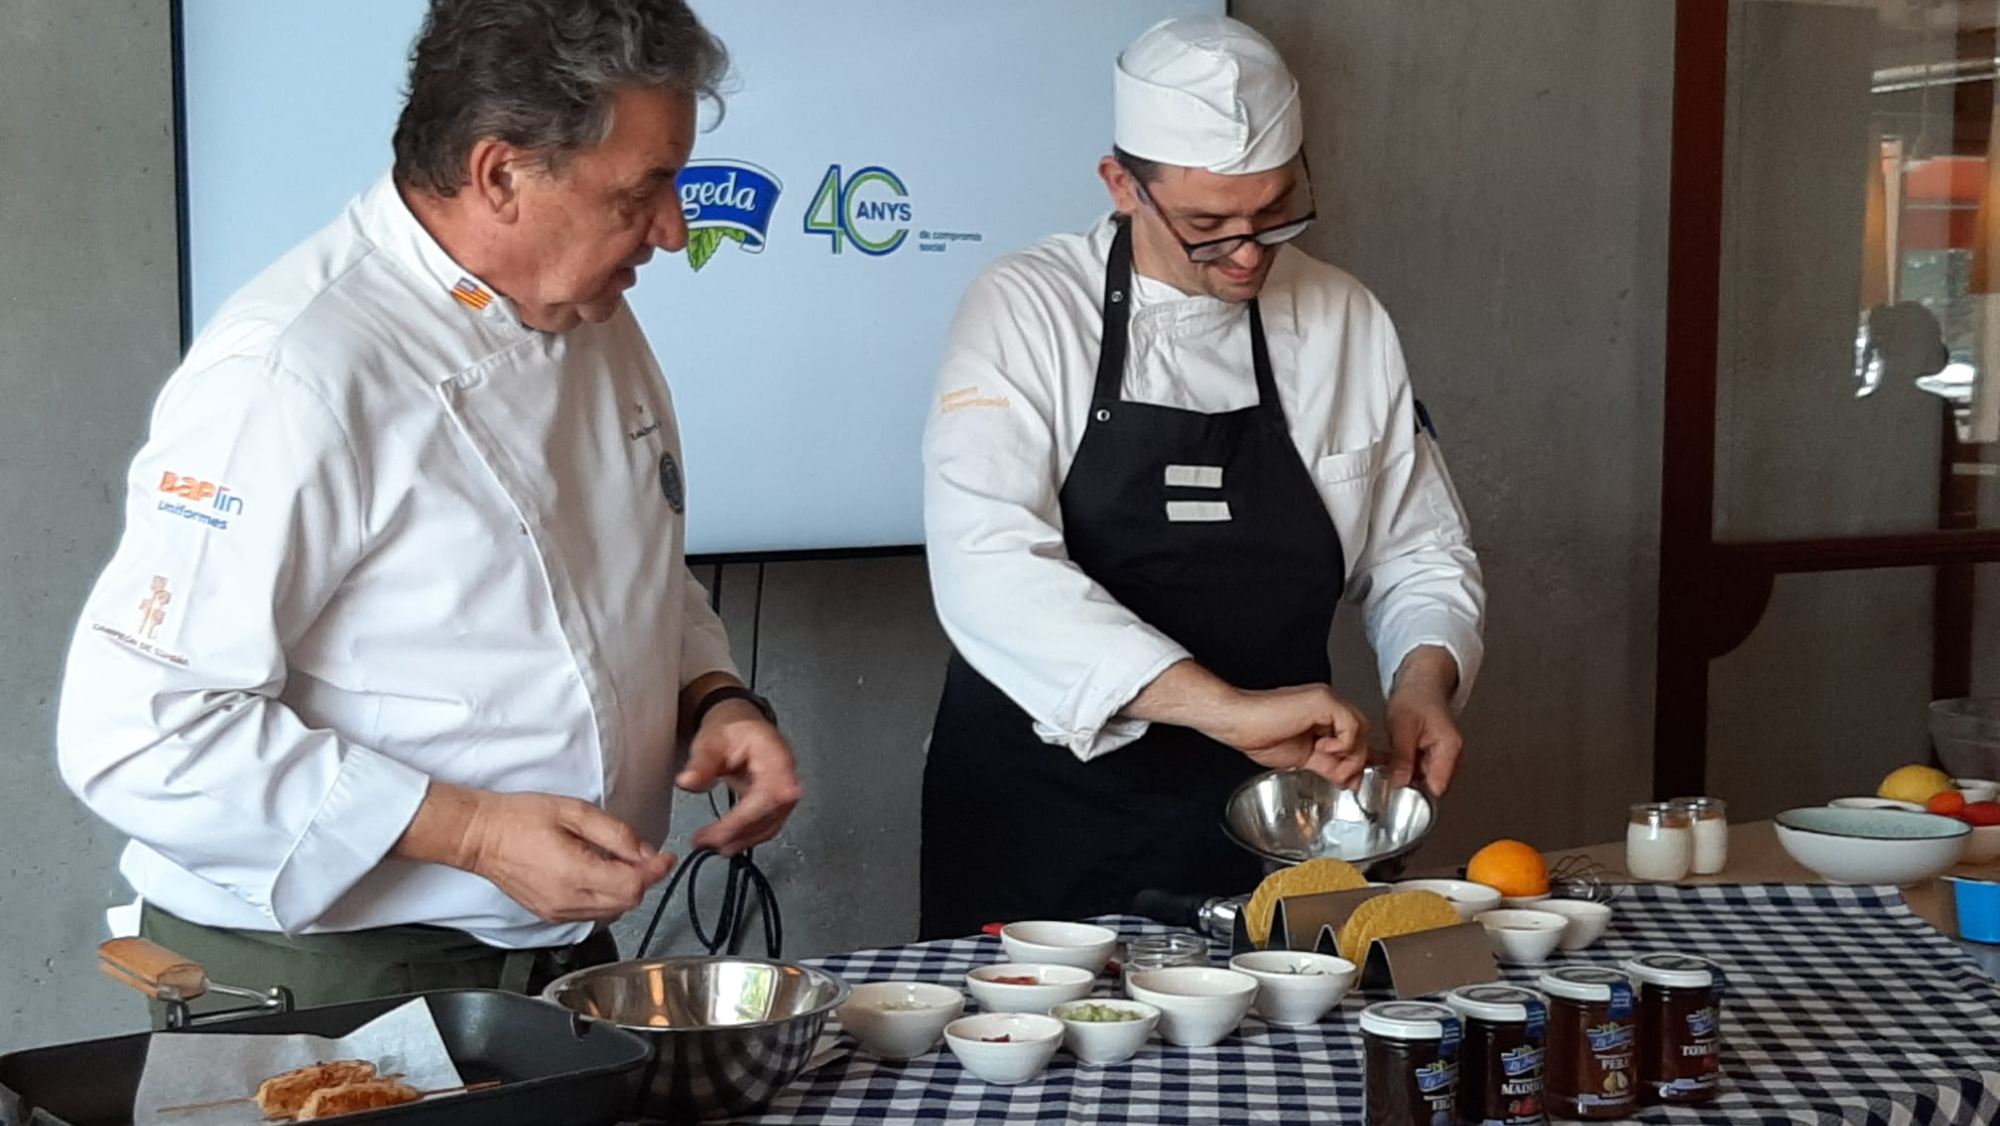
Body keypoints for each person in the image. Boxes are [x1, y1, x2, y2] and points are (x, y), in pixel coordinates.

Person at [56, 0, 800, 1010]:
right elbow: (142, 735)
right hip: (325, 986)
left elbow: (626, 574)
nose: (672, 229)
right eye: (644, 190)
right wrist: (474, 833)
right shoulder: (293, 373)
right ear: (501, 174)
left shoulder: (585, 312)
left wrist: (710, 695)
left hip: (555, 965)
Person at [919, 16, 1486, 938]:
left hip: (1276, 824)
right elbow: (991, 567)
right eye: (1206, 227)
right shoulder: (1026, 310)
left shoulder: (1344, 319)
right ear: (1120, 185)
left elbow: (1420, 547)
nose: (1250, 253)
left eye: (1274, 214)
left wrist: (1423, 682)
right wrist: (1224, 709)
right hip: (1044, 822)